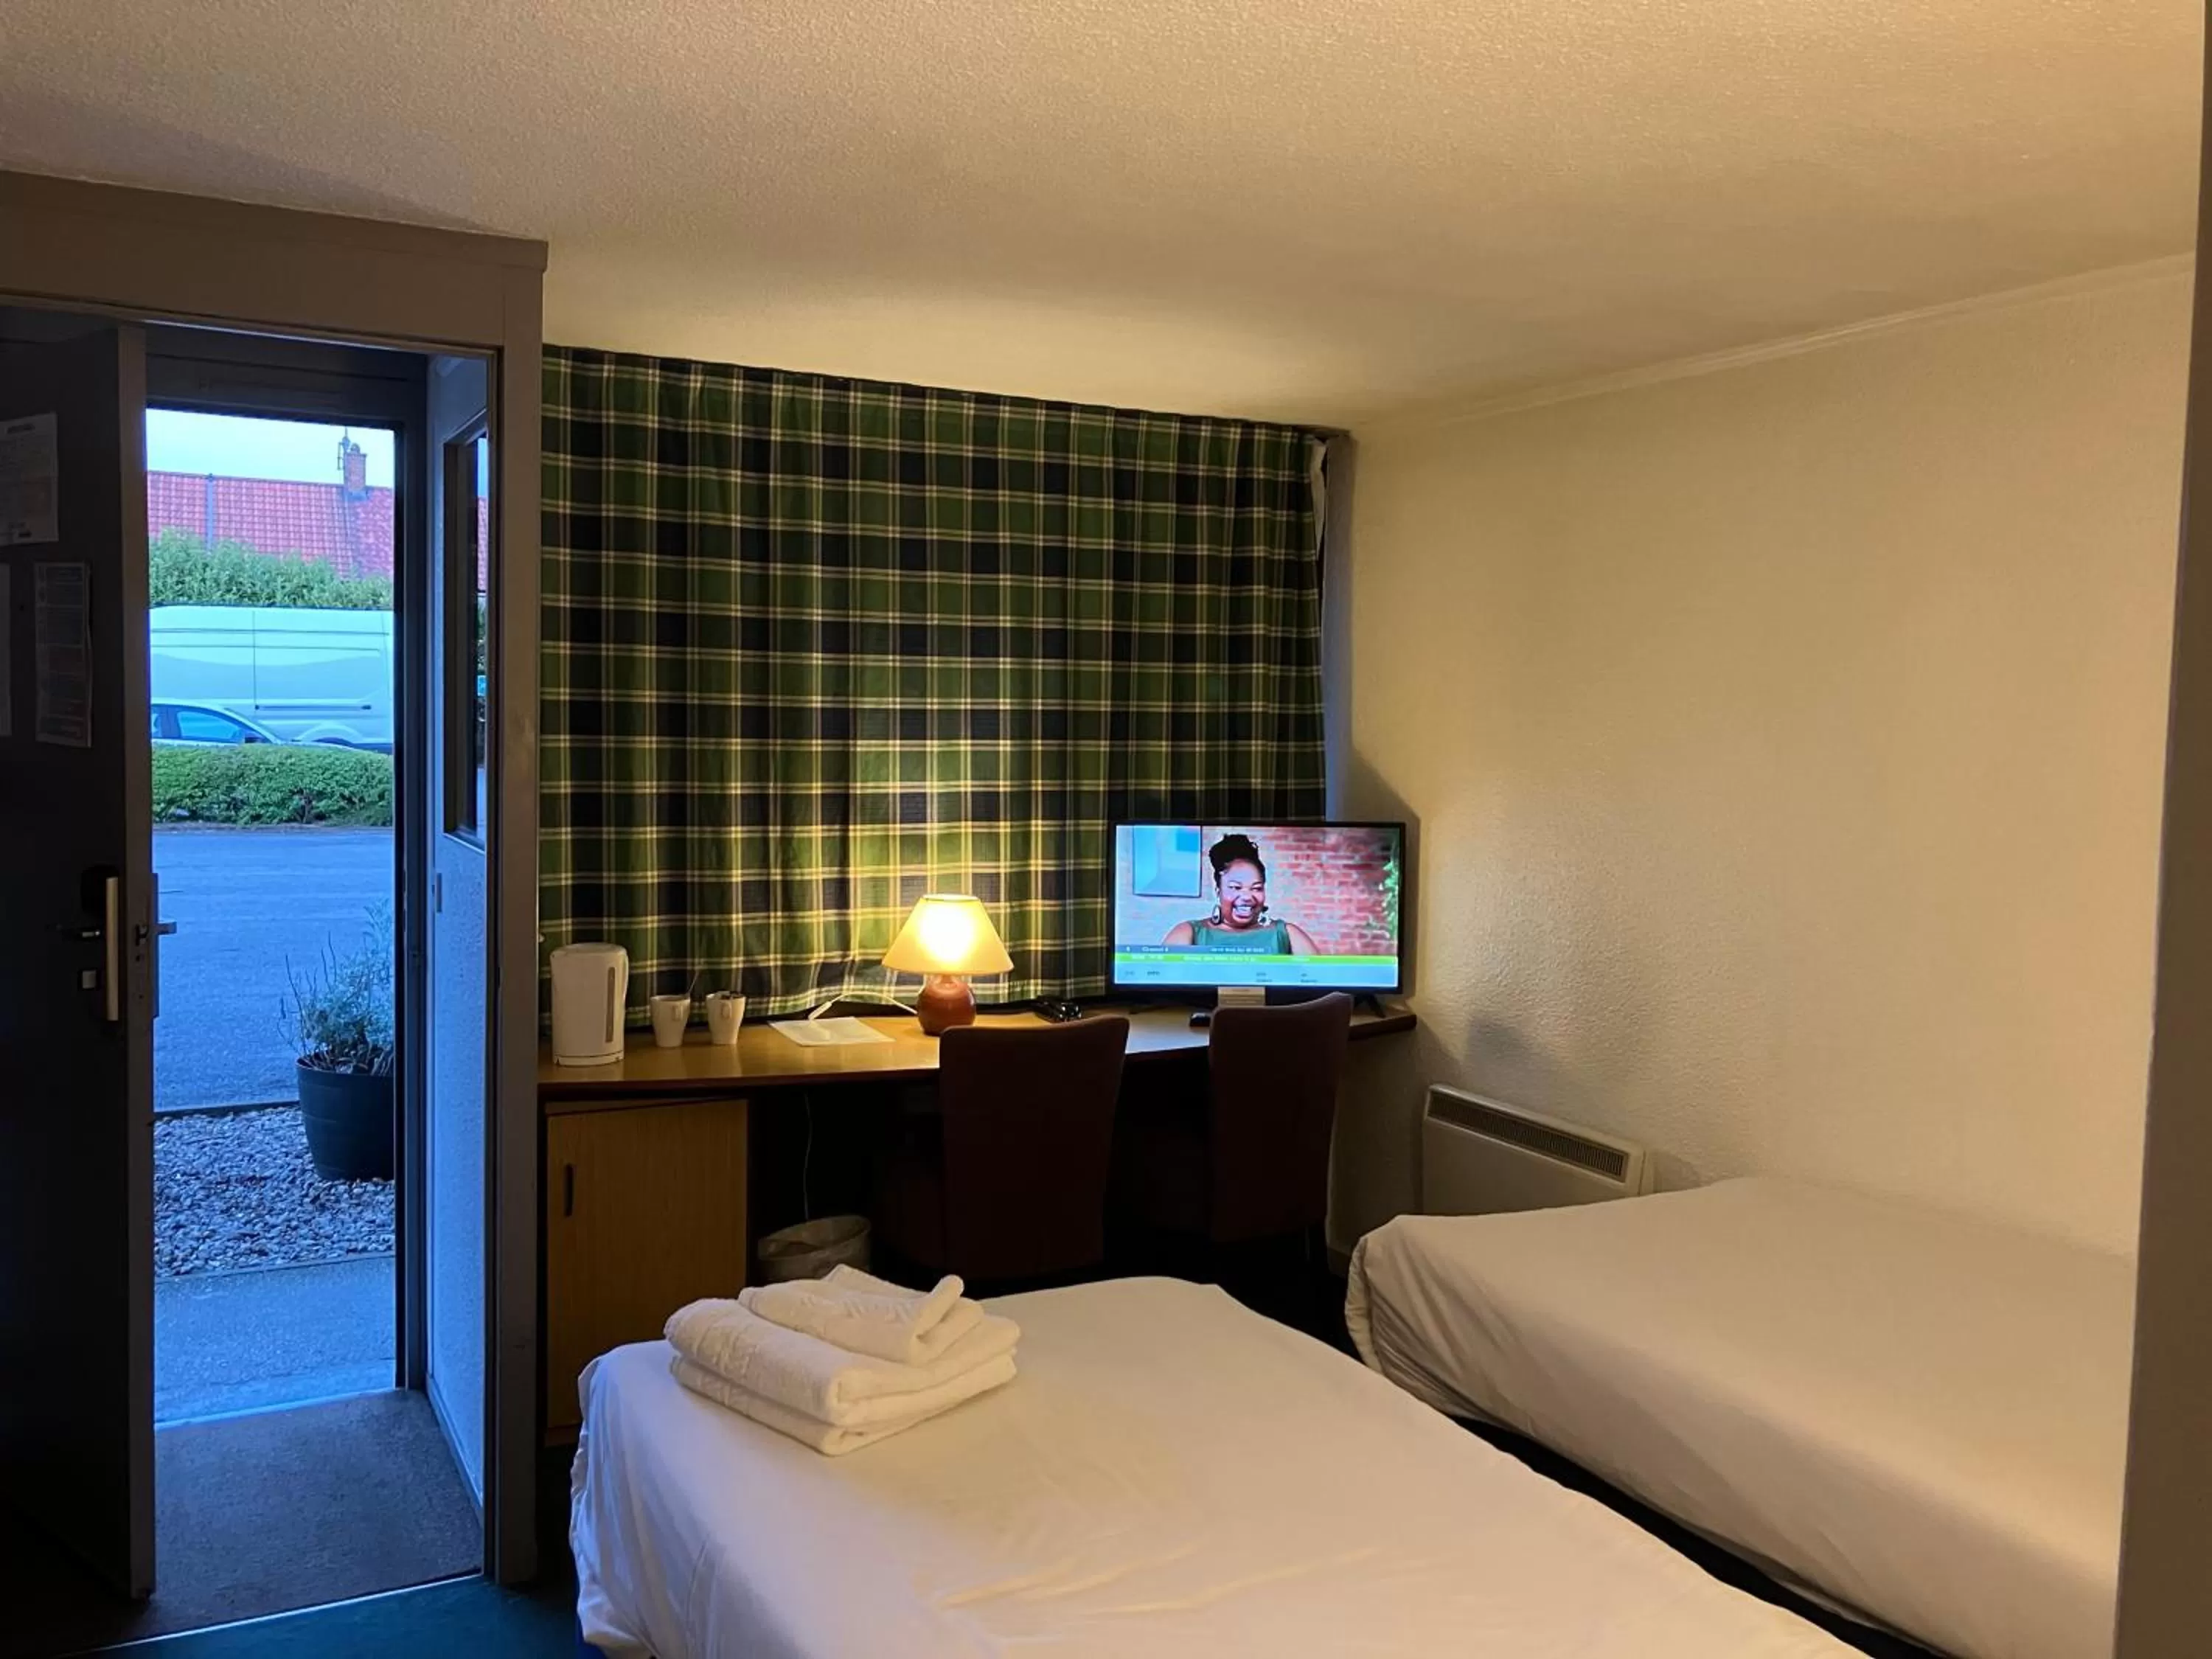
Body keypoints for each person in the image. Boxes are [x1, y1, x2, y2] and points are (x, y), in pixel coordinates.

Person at [1162, 832, 1318, 955]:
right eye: (1236, 888)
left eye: (1256, 888)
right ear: (1218, 891)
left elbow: (1324, 989)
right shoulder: (1189, 933)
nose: (1247, 897)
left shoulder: (1286, 934)